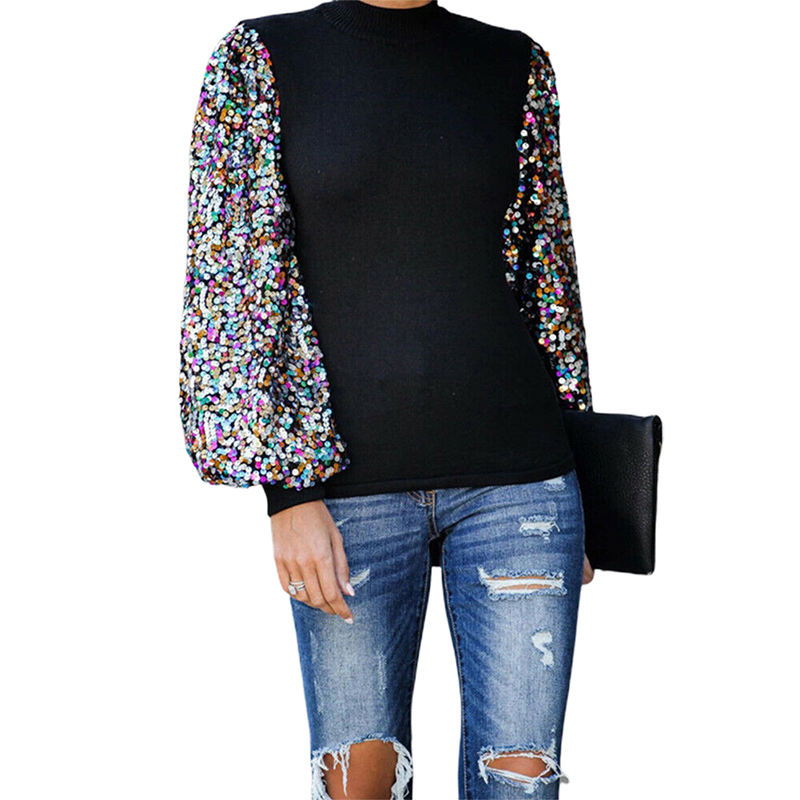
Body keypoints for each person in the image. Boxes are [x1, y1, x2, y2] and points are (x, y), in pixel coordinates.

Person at [179, 1, 595, 797]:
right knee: (359, 782)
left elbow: (547, 281)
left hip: (523, 484)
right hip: (344, 491)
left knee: (522, 783)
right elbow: (233, 282)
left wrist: (589, 480)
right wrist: (287, 490)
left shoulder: (518, 64)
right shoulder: (261, 57)